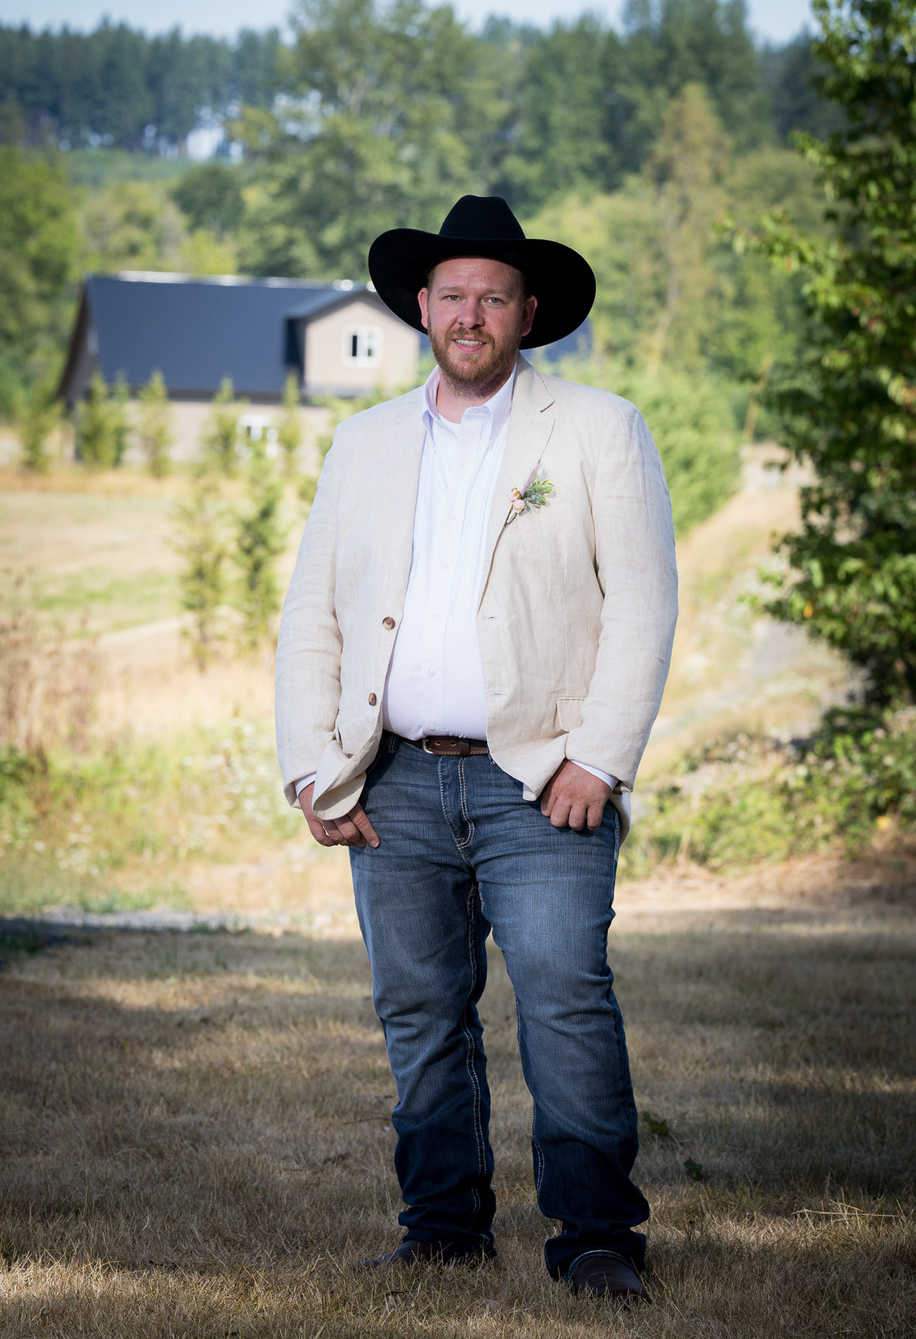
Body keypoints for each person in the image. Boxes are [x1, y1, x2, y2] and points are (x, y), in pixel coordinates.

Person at [275, 195, 677, 1303]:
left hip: (540, 779)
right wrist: (311, 764)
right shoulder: (361, 444)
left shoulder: (597, 429)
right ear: (420, 307)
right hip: (392, 780)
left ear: (527, 312)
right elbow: (312, 611)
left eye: (492, 296)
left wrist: (599, 756)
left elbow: (642, 603)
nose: (469, 314)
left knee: (562, 996)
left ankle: (596, 1238)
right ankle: (441, 1226)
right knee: (417, 1011)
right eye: (450, 294)